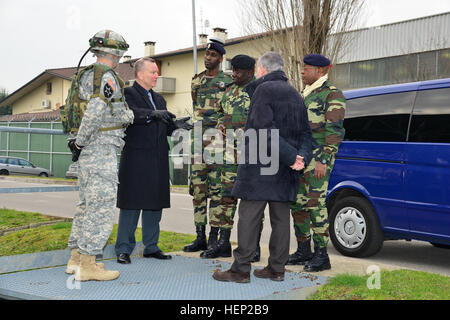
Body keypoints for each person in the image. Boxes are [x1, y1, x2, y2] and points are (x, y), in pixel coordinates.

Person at [212, 52, 313, 283]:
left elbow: (263, 130)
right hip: (286, 170)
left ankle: (240, 270)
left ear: (263, 70)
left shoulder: (263, 90)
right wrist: (300, 158)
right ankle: (277, 269)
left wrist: (291, 157)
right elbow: (308, 134)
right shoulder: (296, 94)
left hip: (260, 167)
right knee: (281, 220)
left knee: (249, 218)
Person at [65, 30, 135, 281]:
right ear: (115, 53)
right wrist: (82, 143)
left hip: (88, 150)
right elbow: (96, 112)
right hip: (100, 148)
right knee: (101, 207)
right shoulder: (107, 77)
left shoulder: (85, 76)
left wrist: (78, 144)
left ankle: (75, 259)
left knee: (85, 206)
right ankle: (89, 265)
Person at [115, 58, 192, 264]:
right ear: (140, 74)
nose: (157, 75)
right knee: (131, 204)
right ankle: (123, 248)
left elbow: (162, 125)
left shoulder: (159, 98)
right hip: (136, 157)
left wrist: (176, 126)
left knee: (153, 204)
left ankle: (151, 246)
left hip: (157, 157)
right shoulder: (127, 94)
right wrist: (151, 114)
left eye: (157, 72)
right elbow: (129, 115)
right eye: (153, 72)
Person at [287, 53, 346, 272]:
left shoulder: (332, 95)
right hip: (300, 159)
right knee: (298, 204)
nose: (302, 71)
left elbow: (334, 131)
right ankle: (304, 250)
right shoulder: (305, 94)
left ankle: (322, 255)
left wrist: (323, 160)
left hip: (318, 160)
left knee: (315, 205)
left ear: (320, 71)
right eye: (302, 68)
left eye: (306, 68)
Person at [200, 54, 257, 259]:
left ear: (250, 72)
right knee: (226, 198)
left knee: (251, 202)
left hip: (251, 153)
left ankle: (253, 247)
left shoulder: (258, 91)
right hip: (229, 154)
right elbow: (219, 115)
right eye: (232, 70)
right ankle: (223, 243)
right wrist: (220, 125)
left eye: (238, 71)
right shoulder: (229, 91)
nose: (233, 74)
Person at [183, 38, 233, 254]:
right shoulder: (196, 82)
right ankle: (199, 236)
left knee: (217, 191)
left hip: (218, 146)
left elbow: (228, 114)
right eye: (206, 55)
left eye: (213, 55)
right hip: (197, 145)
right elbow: (196, 111)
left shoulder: (228, 82)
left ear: (221, 59)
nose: (208, 58)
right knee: (198, 191)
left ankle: (214, 238)